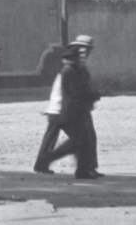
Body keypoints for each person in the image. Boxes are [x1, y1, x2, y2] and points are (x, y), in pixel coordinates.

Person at [36, 46, 99, 179]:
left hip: (64, 111)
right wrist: (93, 95)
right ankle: (49, 158)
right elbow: (76, 92)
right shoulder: (69, 71)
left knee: (80, 141)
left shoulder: (69, 70)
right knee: (78, 141)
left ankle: (83, 170)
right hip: (66, 111)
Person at [69, 34, 103, 177]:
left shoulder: (80, 64)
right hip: (76, 107)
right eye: (84, 48)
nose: (86, 51)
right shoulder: (73, 64)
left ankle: (90, 166)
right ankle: (84, 168)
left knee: (90, 137)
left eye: (88, 49)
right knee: (84, 138)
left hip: (83, 106)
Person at [33, 66, 63, 174]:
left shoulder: (60, 75)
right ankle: (86, 166)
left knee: (49, 140)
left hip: (54, 111)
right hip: (59, 111)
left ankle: (40, 165)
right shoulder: (68, 74)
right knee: (79, 139)